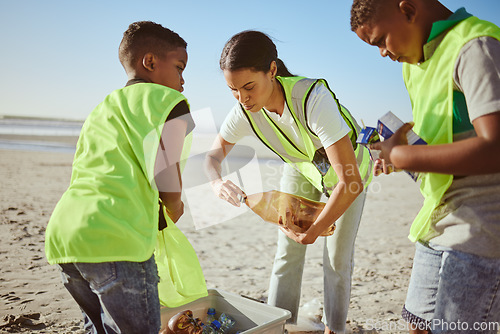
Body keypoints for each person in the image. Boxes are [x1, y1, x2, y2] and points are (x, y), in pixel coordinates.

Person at [204, 30, 373, 334]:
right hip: (301, 168)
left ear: (272, 70)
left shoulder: (312, 99)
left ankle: (335, 329)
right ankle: (277, 326)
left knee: (336, 258)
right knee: (287, 252)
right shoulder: (245, 110)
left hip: (347, 176)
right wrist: (216, 182)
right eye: (233, 90)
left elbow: (351, 182)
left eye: (248, 87)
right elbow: (211, 158)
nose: (242, 98)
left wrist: (316, 229)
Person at [351, 1, 500, 333]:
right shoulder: (413, 65)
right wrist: (399, 156)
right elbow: (448, 140)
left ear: (407, 10)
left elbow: (495, 147)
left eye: (379, 40)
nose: (382, 54)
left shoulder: (475, 46)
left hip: (482, 229)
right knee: (416, 325)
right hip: (437, 219)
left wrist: (403, 156)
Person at [44, 21, 195, 334]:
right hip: (117, 239)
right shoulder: (168, 102)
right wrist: (175, 203)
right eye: (179, 67)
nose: (183, 80)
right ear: (150, 62)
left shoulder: (102, 108)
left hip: (67, 236)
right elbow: (165, 166)